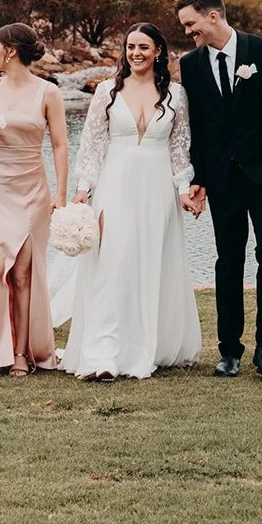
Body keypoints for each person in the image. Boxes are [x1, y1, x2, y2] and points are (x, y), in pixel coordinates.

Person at [61, 23, 202, 381]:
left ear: (158, 51)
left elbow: (178, 148)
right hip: (115, 184)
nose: (136, 53)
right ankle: (102, 354)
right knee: (111, 264)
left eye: (143, 47)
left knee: (149, 263)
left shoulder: (176, 94)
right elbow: (92, 145)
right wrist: (83, 188)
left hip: (157, 190)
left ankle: (145, 347)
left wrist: (184, 190)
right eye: (130, 47)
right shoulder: (107, 91)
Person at [175, 0, 262, 380]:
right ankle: (229, 351)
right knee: (228, 262)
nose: (188, 33)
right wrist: (199, 178)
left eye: (191, 24)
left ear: (213, 15)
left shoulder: (261, 50)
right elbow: (198, 129)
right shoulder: (191, 65)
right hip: (222, 179)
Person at [0, 24, 69, 375]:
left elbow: (59, 145)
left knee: (23, 272)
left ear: (10, 50)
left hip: (30, 190)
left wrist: (61, 193)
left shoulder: (48, 92)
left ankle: (22, 352)